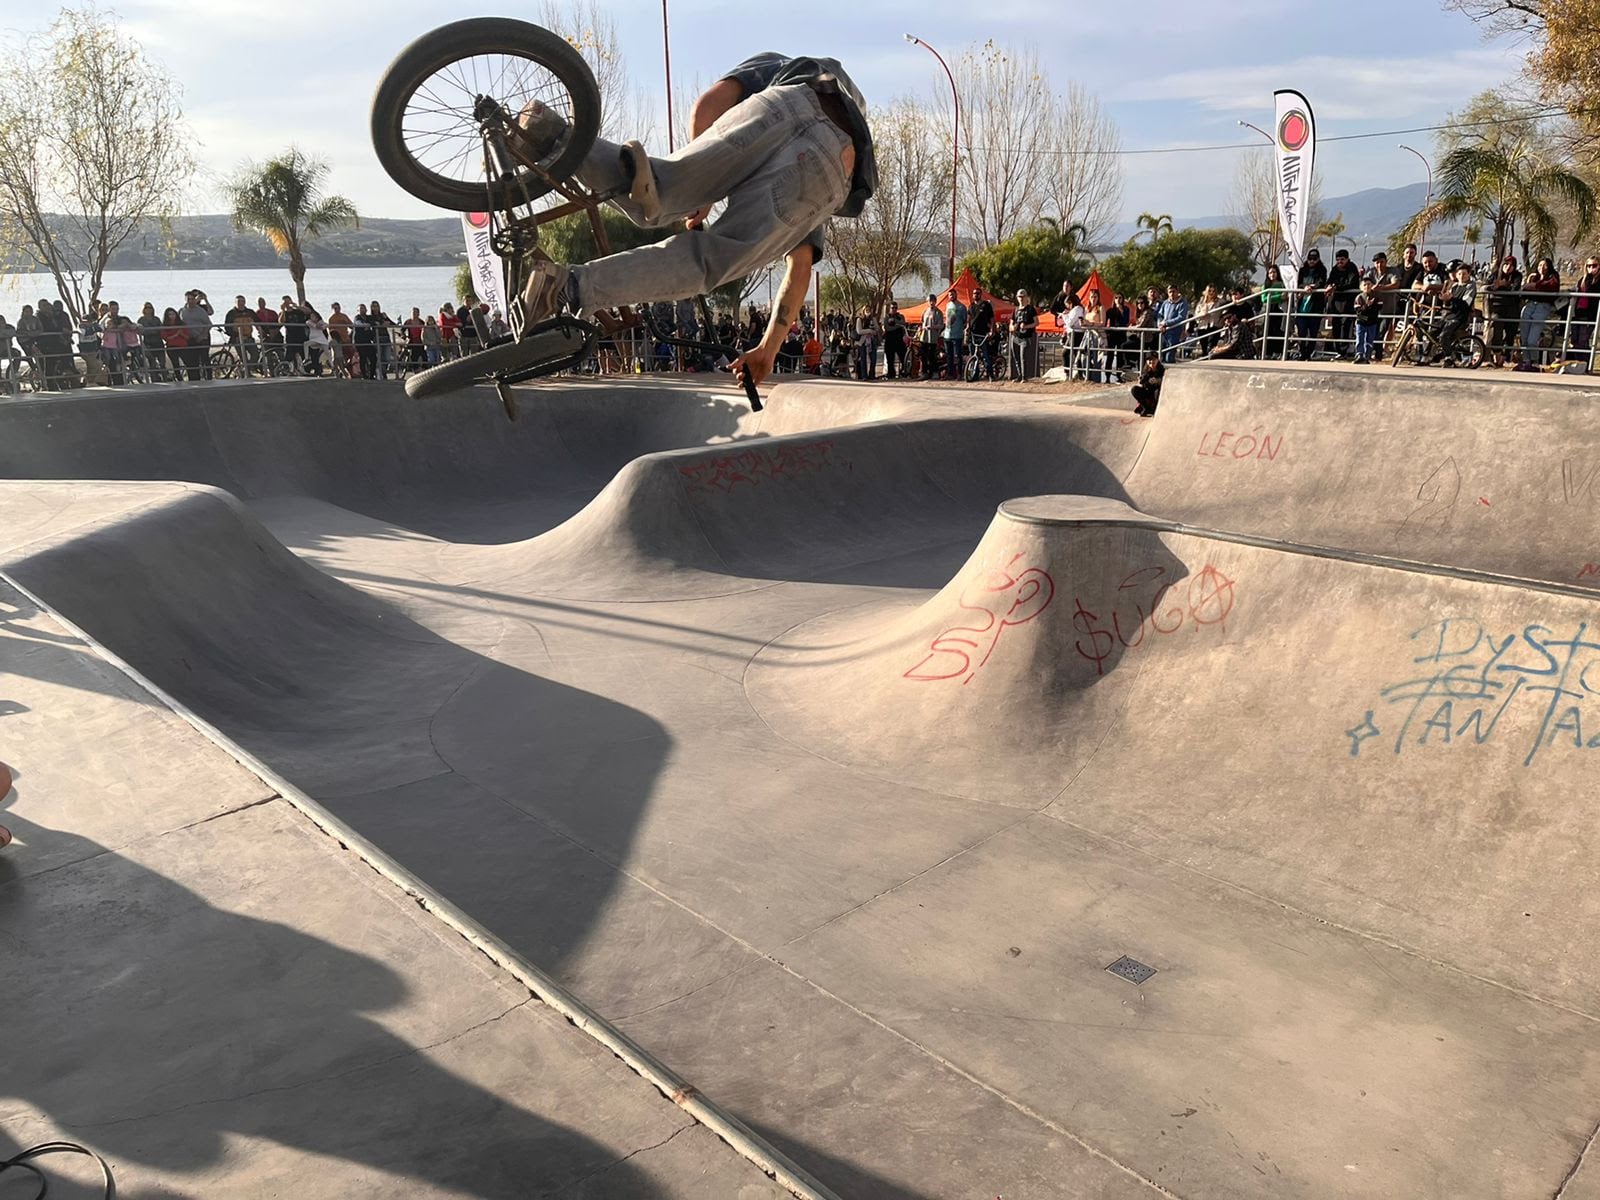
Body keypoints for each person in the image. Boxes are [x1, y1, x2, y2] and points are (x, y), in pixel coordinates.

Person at [515, 50, 876, 390]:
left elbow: (708, 105)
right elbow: (799, 270)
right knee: (712, 261)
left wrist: (699, 191)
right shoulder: (841, 138)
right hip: (829, 164)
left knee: (660, 191)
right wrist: (767, 349)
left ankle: (546, 133)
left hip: (782, 101)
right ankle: (568, 286)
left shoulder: (780, 65)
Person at [1483, 254, 1522, 365]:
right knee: (1496, 326)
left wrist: (1504, 286)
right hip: (1497, 308)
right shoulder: (1495, 274)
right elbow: (1486, 286)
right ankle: (1497, 353)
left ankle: (1506, 356)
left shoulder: (1517, 275)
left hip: (1512, 308)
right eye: (1506, 264)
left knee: (1511, 333)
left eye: (1511, 265)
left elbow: (1515, 288)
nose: (1508, 267)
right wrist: (1494, 287)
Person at [1436, 262, 1478, 362]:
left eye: (1464, 274)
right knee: (1432, 331)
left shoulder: (1471, 286)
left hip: (1459, 317)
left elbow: (1465, 303)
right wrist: (1445, 299)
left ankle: (1449, 358)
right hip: (1448, 316)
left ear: (1469, 274)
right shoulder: (1454, 286)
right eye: (1459, 274)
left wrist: (1452, 299)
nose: (1462, 276)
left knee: (1444, 335)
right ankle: (1434, 353)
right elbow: (1447, 302)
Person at [1325, 249, 1361, 356]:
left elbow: (1351, 283)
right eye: (1338, 260)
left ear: (1347, 259)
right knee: (1336, 326)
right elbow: (1329, 281)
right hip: (1336, 303)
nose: (1340, 262)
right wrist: (1329, 286)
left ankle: (1344, 350)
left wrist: (1337, 287)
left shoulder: (1352, 268)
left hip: (1348, 302)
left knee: (1346, 326)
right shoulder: (1335, 269)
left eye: (1342, 260)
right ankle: (1338, 350)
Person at [1294, 248, 1328, 359]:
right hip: (1302, 307)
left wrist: (1313, 286)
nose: (1312, 261)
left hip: (1315, 307)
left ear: (1318, 259)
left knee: (1313, 333)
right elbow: (1298, 284)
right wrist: (1304, 288)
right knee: (1301, 332)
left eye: (1314, 259)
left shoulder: (1322, 270)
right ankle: (1302, 353)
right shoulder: (1303, 270)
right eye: (1310, 259)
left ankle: (1308, 354)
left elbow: (1322, 282)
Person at [179, 289, 213, 380]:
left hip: (202, 338)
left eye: (192, 299)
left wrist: (202, 335)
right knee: (192, 360)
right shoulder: (182, 311)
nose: (190, 301)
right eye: (188, 299)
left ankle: (208, 378)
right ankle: (194, 379)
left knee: (205, 358)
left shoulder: (201, 310)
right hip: (189, 338)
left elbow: (209, 324)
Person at [1571, 254, 1600, 357]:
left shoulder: (1597, 281)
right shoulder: (1583, 279)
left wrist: (1592, 277)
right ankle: (1577, 363)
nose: (1591, 268)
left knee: (1583, 340)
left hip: (1590, 314)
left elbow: (1592, 290)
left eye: (1594, 265)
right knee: (1574, 339)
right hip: (1578, 312)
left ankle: (1584, 363)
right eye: (1588, 266)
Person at [1351, 277, 1383, 364]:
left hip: (1372, 322)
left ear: (1372, 286)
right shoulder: (1359, 297)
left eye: (1369, 284)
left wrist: (1372, 305)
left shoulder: (1376, 297)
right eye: (1364, 285)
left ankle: (1367, 356)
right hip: (1361, 321)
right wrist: (1367, 306)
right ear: (1361, 287)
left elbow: (1379, 307)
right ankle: (1359, 355)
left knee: (1370, 339)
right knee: (1360, 338)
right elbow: (1358, 311)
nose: (1367, 286)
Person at [1010, 288, 1039, 379]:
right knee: (1016, 357)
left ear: (1026, 297)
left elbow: (1036, 322)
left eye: (1023, 296)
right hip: (1015, 337)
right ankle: (1019, 375)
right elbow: (1010, 324)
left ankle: (1024, 376)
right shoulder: (1015, 310)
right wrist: (1013, 327)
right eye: (1019, 296)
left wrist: (1026, 326)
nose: (1021, 298)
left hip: (1026, 337)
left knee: (1023, 357)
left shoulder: (1031, 309)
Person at [1157, 284, 1189, 363]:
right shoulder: (1165, 303)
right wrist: (1160, 324)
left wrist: (1166, 323)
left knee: (1169, 357)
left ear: (1177, 292)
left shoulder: (1182, 303)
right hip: (1164, 333)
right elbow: (1160, 315)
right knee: (1162, 356)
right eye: (1170, 292)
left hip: (1174, 332)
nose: (1172, 294)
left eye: (1173, 291)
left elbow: (1181, 317)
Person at [137, 301, 167, 381]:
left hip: (158, 342)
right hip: (148, 343)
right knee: (152, 363)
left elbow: (160, 329)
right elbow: (140, 331)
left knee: (162, 363)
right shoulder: (141, 320)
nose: (148, 309)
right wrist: (151, 331)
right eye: (146, 307)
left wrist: (152, 331)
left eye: (150, 307)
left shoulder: (156, 319)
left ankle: (165, 378)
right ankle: (154, 379)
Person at [917, 293, 943, 380]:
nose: (931, 303)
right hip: (924, 337)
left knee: (932, 356)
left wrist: (932, 327)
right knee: (923, 356)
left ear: (935, 301)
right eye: (929, 301)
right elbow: (922, 322)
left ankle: (934, 372)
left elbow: (941, 325)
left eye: (933, 301)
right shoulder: (925, 311)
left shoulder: (938, 312)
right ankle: (924, 373)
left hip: (933, 338)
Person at [943, 289, 967, 380]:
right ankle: (950, 373)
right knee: (949, 355)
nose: (951, 296)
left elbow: (965, 320)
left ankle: (959, 374)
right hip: (947, 334)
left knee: (958, 355)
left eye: (953, 294)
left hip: (957, 335)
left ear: (956, 295)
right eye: (950, 295)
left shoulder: (961, 307)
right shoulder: (947, 305)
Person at [880, 299, 906, 379]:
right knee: (890, 359)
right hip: (889, 340)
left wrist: (894, 324)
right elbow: (888, 328)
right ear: (890, 308)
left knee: (903, 358)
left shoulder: (900, 316)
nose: (894, 309)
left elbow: (903, 324)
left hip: (899, 340)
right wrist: (898, 325)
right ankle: (891, 373)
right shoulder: (886, 317)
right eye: (892, 308)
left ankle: (904, 372)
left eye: (895, 307)